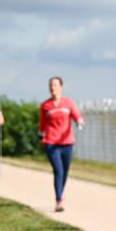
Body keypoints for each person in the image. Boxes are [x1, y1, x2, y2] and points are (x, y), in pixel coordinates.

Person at [39, 76, 84, 212]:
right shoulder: (45, 106)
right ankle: (59, 200)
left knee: (65, 171)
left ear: (61, 87)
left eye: (55, 85)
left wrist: (80, 122)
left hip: (67, 142)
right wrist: (40, 137)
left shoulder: (69, 103)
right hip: (52, 142)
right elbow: (42, 124)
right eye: (51, 85)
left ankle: (61, 193)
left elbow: (77, 115)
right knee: (58, 170)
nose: (53, 88)